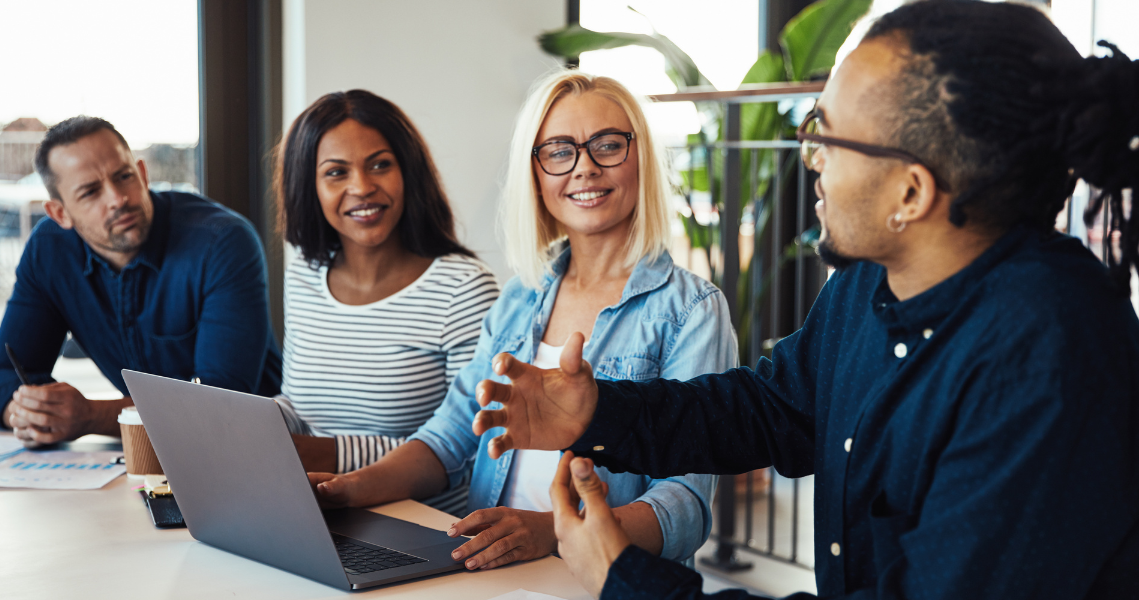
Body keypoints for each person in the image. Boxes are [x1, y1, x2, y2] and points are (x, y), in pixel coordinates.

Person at [473, 2, 1139, 598]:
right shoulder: (869, 280)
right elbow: (774, 408)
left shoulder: (1051, 358)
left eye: (828, 135)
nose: (810, 158)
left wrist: (626, 578)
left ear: (910, 194)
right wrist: (601, 411)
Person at [308, 71, 737, 572]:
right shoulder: (520, 297)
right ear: (534, 173)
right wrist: (349, 488)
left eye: (608, 145)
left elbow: (685, 505)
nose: (584, 168)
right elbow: (449, 436)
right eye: (559, 151)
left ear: (640, 156)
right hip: (494, 575)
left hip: (609, 582)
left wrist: (554, 532)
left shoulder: (691, 310)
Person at [0, 117, 282, 446]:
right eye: (91, 192)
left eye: (124, 177)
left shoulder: (222, 242)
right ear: (60, 214)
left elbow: (222, 403)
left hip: (254, 448)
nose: (117, 198)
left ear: (142, 172)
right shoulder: (50, 250)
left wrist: (89, 416)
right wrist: (27, 413)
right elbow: (2, 379)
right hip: (138, 458)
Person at [273, 90, 500, 514]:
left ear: (408, 173)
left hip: (424, 524)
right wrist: (253, 426)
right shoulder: (304, 273)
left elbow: (470, 449)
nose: (361, 187)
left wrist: (323, 455)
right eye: (336, 173)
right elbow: (300, 406)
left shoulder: (463, 289)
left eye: (380, 165)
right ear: (310, 186)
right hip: (313, 509)